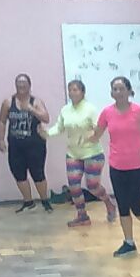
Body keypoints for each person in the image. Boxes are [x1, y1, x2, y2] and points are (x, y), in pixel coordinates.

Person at [41, 80, 117, 227]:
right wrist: (47, 133)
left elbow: (99, 127)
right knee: (74, 187)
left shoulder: (90, 109)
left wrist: (93, 135)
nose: (72, 93)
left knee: (93, 186)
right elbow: (59, 127)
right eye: (70, 90)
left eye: (75, 90)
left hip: (92, 153)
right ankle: (82, 216)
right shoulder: (65, 110)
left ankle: (109, 204)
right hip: (73, 154)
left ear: (82, 92)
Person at [95, 77, 140, 257]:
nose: (118, 92)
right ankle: (129, 242)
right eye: (115, 89)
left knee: (136, 206)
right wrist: (85, 138)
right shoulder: (106, 112)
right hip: (117, 166)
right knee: (122, 206)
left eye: (122, 88)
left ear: (129, 91)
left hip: (137, 165)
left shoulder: (139, 111)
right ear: (111, 92)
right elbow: (96, 133)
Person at [0, 74, 52, 212]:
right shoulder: (8, 102)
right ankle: (28, 202)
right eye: (19, 83)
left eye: (24, 83)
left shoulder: (36, 101)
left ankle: (45, 201)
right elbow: (2, 121)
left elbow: (46, 118)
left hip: (35, 145)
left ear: (29, 85)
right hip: (15, 146)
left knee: (38, 174)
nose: (21, 86)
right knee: (18, 173)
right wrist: (1, 139)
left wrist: (31, 109)